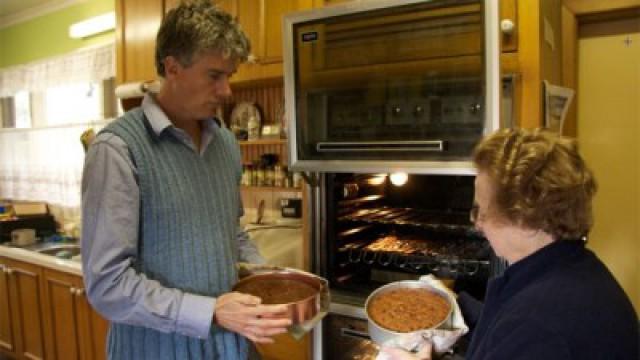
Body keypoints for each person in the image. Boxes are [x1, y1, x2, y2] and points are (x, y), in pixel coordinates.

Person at [81, 1, 291, 359]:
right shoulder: (118, 149)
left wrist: (263, 275)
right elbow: (107, 285)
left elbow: (230, 230)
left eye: (230, 75)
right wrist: (209, 311)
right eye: (214, 76)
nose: (227, 91)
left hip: (231, 347)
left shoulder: (225, 142)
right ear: (172, 68)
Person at [380, 128, 639, 359]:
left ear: (523, 219)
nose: (477, 223)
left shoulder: (537, 328)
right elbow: (505, 322)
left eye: (480, 210)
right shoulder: (573, 270)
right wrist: (458, 306)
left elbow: (521, 331)